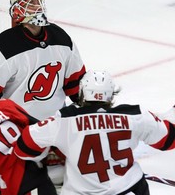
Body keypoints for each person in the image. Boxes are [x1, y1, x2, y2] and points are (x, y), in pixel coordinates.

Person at [14, 70, 175, 195]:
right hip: (129, 190)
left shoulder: (64, 119)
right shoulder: (135, 115)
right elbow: (169, 140)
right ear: (111, 93)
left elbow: (23, 147)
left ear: (83, 92)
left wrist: (51, 152)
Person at [0, 0, 86, 120]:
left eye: (38, 2)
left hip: (57, 124)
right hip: (18, 125)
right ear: (17, 11)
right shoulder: (5, 45)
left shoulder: (61, 37)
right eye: (31, 3)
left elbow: (76, 86)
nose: (37, 6)